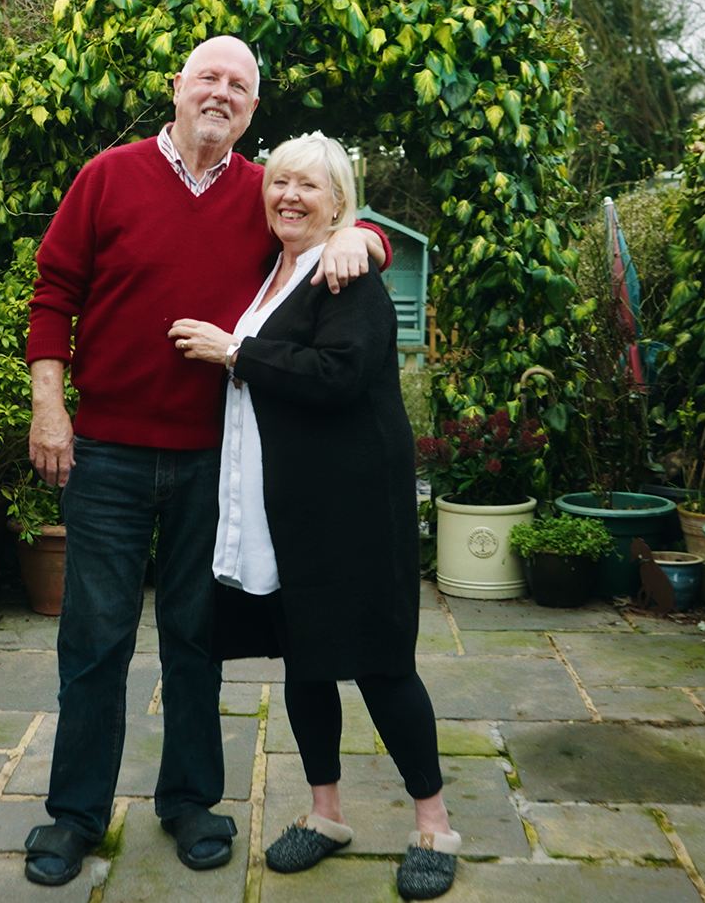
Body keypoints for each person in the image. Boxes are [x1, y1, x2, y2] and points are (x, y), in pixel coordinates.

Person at [21, 36, 391, 887]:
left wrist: (366, 238)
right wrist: (50, 408)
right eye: (208, 79)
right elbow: (53, 293)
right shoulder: (107, 176)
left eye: (240, 86)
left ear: (254, 109)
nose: (220, 94)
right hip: (107, 455)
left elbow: (327, 212)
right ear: (178, 88)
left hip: (213, 461)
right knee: (94, 640)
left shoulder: (262, 191)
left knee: (195, 638)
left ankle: (190, 801)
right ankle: (73, 815)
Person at [166, 133, 461, 900]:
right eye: (280, 182)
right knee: (306, 659)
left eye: (309, 186)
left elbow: (340, 375)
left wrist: (236, 353)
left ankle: (434, 824)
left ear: (339, 203)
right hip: (286, 508)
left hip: (354, 508)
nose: (289, 195)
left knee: (382, 663)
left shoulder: (347, 273)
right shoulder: (277, 271)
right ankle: (326, 813)